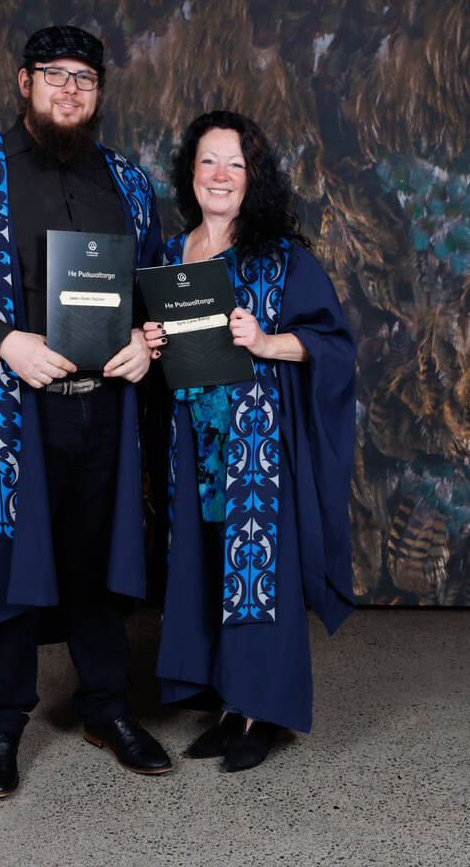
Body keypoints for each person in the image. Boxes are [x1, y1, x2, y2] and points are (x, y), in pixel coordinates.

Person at [0, 25, 172, 799]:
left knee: (95, 559)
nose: (69, 90)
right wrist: (5, 342)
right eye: (54, 75)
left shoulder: (127, 182)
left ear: (97, 93)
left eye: (84, 79)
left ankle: (106, 708)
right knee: (14, 564)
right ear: (24, 82)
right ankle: (2, 722)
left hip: (104, 411)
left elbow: (150, 291)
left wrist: (142, 343)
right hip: (6, 407)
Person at [143, 111, 356, 771]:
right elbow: (148, 352)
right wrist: (146, 342)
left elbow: (332, 347)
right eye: (207, 161)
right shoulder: (169, 257)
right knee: (207, 570)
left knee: (256, 574)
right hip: (189, 445)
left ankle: (261, 711)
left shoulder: (281, 258)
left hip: (254, 448)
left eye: (234, 164)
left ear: (252, 178)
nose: (220, 175)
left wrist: (265, 342)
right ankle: (228, 702)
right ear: (189, 173)